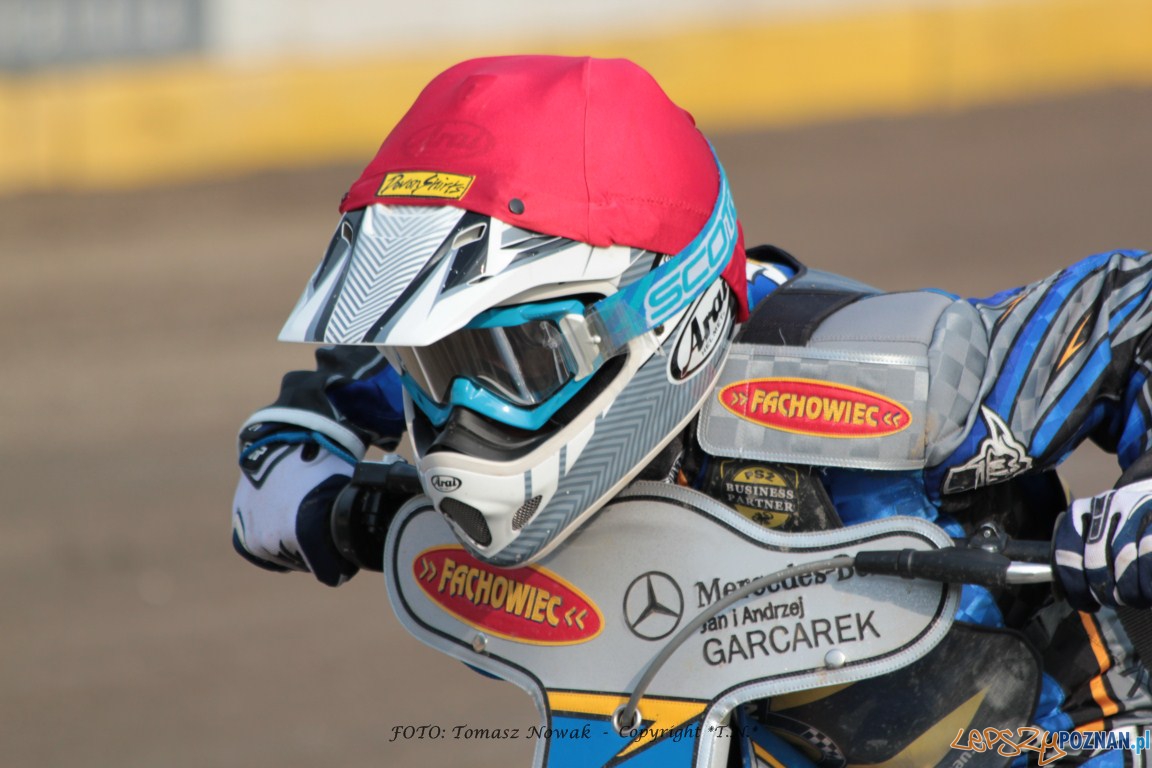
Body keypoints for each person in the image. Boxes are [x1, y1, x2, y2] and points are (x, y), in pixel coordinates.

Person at [232, 54, 1152, 765]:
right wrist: (310, 464)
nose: (460, 406)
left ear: (659, 311)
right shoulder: (471, 351)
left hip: (1072, 736)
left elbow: (1129, 313)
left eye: (512, 359)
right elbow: (345, 385)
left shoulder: (876, 384)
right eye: (440, 364)